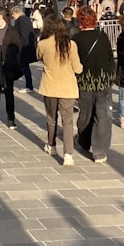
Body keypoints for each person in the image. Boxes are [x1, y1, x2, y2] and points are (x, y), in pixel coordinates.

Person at [37, 14, 83, 166]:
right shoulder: (71, 45)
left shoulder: (43, 44)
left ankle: (52, 145)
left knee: (51, 118)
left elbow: (38, 57)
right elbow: (77, 68)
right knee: (68, 121)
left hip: (50, 85)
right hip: (68, 87)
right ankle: (68, 154)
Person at [73, 7, 116, 164]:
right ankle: (100, 151)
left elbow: (75, 62)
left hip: (85, 82)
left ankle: (83, 141)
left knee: (85, 114)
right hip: (103, 81)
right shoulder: (102, 36)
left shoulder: (76, 39)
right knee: (103, 115)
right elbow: (110, 58)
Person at [9, 4, 36, 94]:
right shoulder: (25, 20)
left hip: (23, 48)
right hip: (26, 47)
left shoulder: (21, 21)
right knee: (23, 67)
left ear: (17, 13)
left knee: (22, 67)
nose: (12, 16)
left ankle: (28, 85)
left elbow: (23, 35)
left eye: (13, 14)